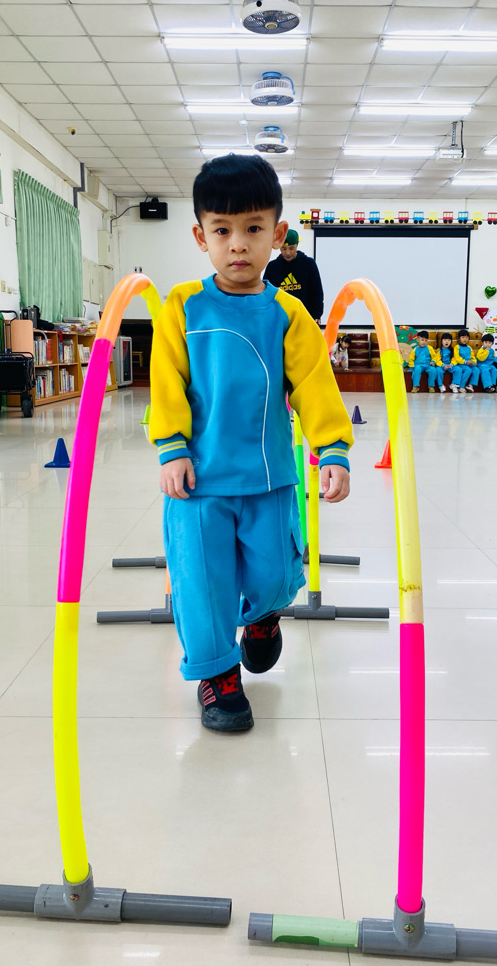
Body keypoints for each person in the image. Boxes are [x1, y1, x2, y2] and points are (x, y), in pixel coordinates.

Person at [149, 154, 353, 733]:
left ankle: (263, 615)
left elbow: (314, 384)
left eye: (253, 229)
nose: (238, 244)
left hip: (268, 478)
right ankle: (217, 675)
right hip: (199, 481)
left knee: (273, 573)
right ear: (201, 236)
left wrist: (333, 450)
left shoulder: (288, 314)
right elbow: (166, 382)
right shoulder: (182, 306)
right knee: (202, 582)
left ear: (277, 235)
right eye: (222, 230)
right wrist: (171, 447)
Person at [263, 227, 324, 323]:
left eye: (291, 248)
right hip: (279, 320)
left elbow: (317, 293)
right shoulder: (272, 267)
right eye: (283, 248)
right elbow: (266, 295)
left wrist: (316, 315)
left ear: (297, 245)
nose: (287, 253)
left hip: (304, 318)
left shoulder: (309, 264)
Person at [450, 329, 477, 393]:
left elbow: (473, 357)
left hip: (469, 364)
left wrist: (473, 362)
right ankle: (461, 386)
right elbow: (457, 358)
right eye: (463, 337)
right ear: (459, 338)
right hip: (461, 364)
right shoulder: (457, 347)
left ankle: (470, 385)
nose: (465, 339)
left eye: (466, 337)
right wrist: (465, 362)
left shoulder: (469, 348)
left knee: (476, 370)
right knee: (468, 370)